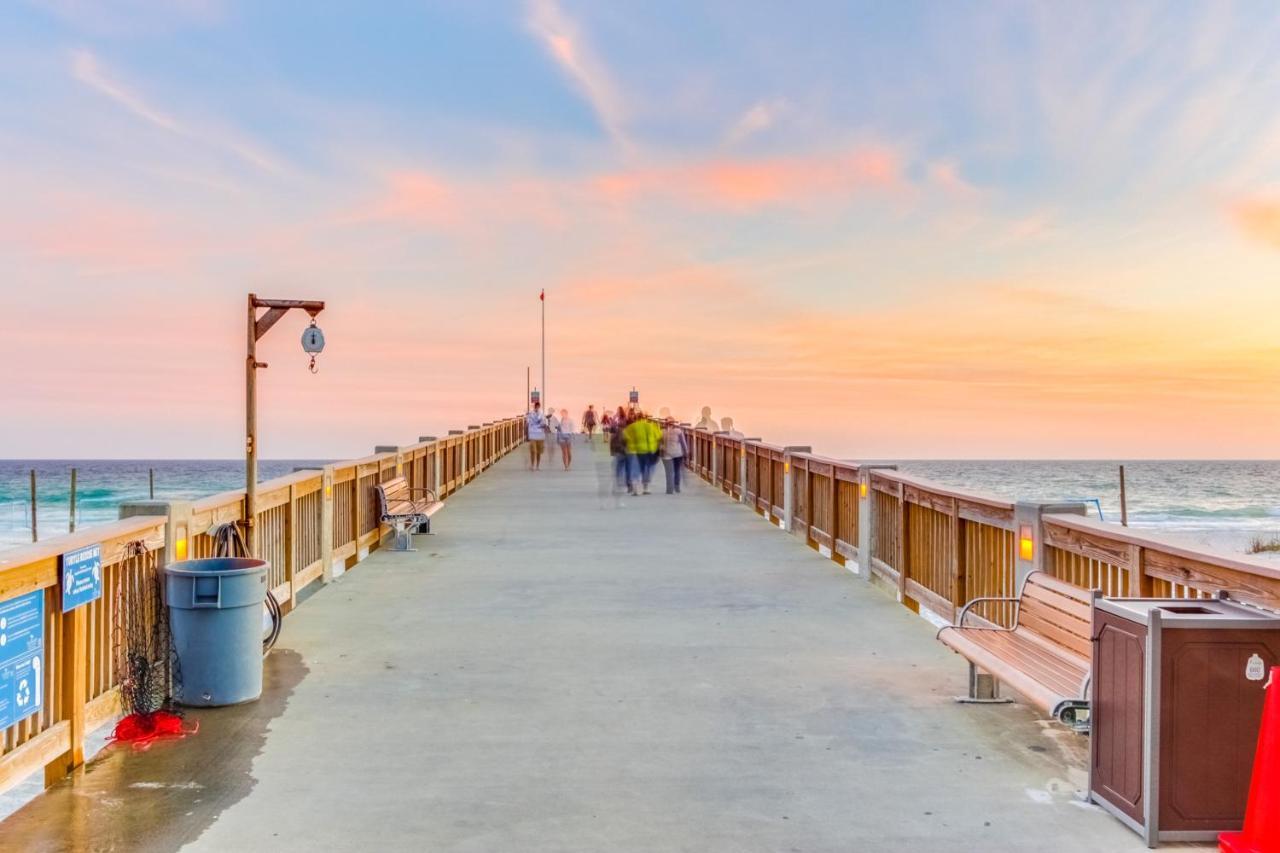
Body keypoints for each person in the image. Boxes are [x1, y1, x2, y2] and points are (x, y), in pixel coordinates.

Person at [661, 419, 688, 494]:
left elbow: (659, 443)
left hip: (666, 454)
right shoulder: (678, 431)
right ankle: (677, 487)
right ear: (674, 424)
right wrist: (686, 452)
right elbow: (683, 443)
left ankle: (669, 489)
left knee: (669, 473)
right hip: (677, 454)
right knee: (677, 471)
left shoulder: (662, 432)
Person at [525, 402, 548, 470]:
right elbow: (527, 424)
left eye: (538, 406)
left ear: (539, 407)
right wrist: (526, 435)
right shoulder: (530, 414)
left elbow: (545, 424)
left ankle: (537, 466)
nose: (537, 407)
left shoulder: (542, 414)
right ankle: (532, 465)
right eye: (536, 406)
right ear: (534, 407)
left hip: (540, 435)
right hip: (532, 434)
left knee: (538, 452)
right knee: (533, 451)